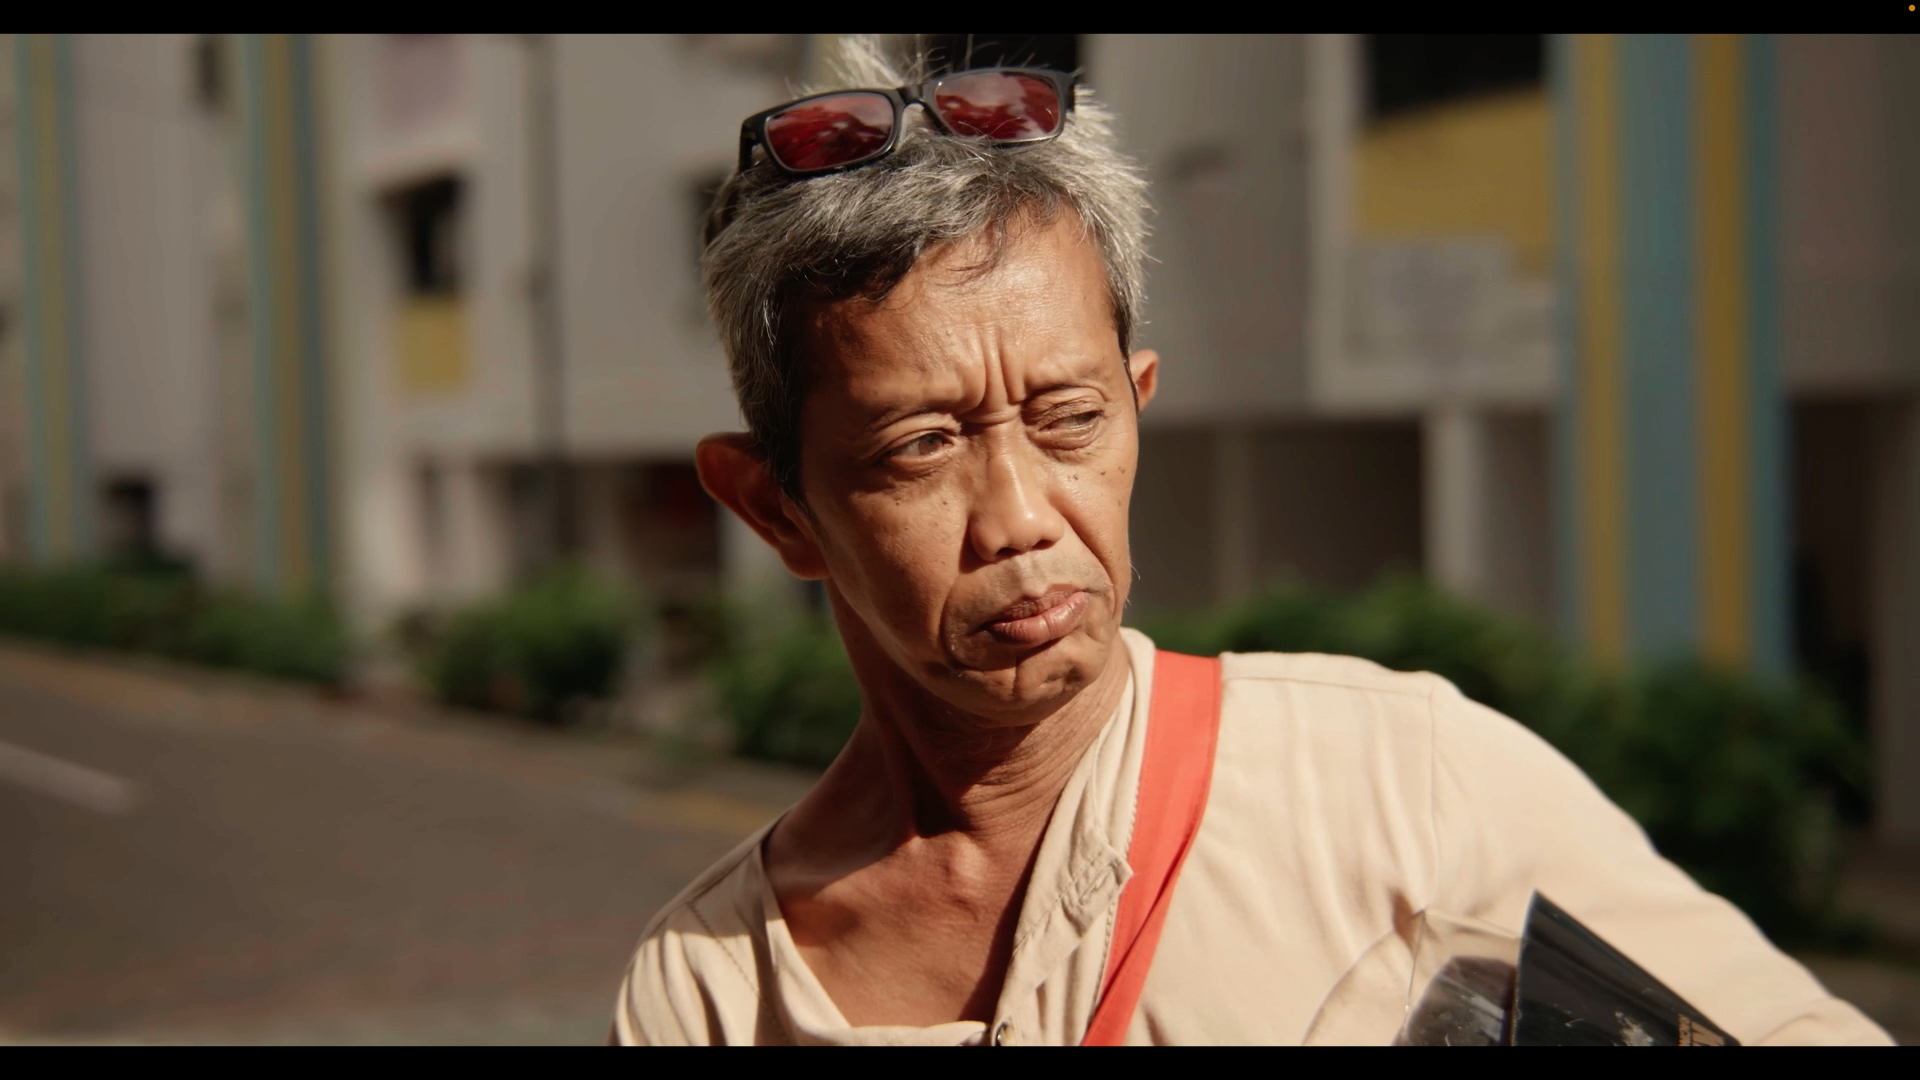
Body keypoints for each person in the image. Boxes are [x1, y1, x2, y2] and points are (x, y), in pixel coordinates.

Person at [610, 37, 1893, 1046]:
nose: (1020, 517)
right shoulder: (708, 994)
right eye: (921, 449)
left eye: (1069, 420)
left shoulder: (1400, 783)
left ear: (1139, 404)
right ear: (774, 507)